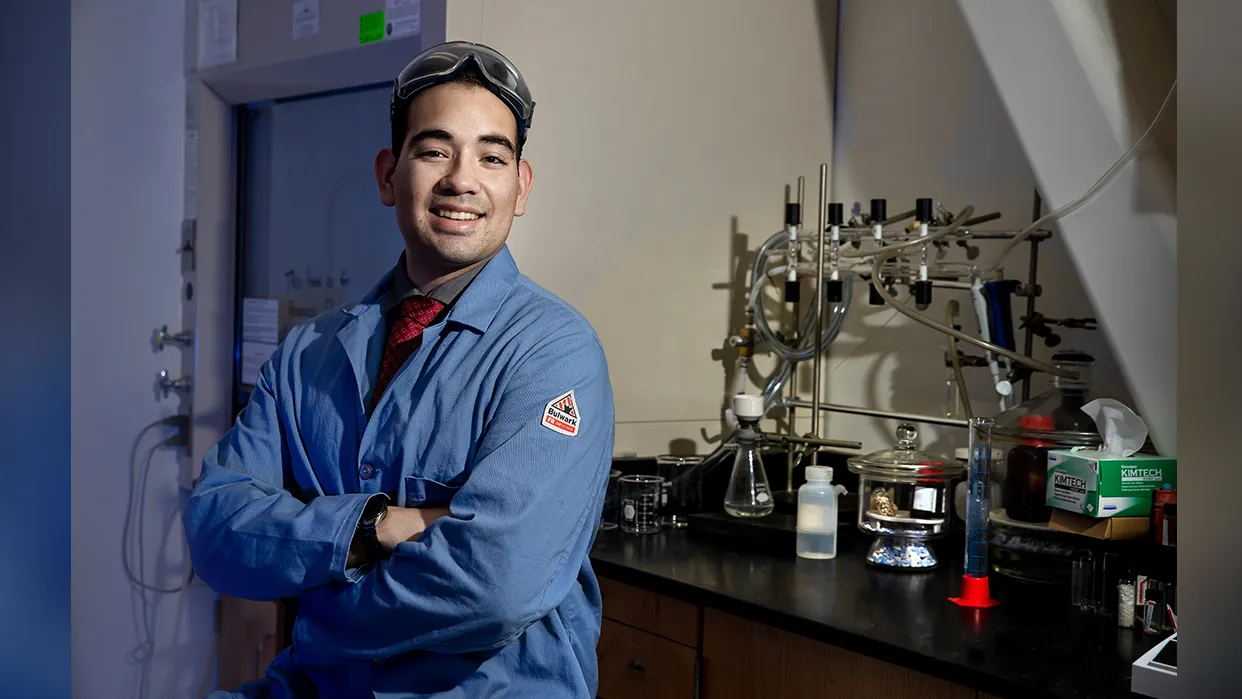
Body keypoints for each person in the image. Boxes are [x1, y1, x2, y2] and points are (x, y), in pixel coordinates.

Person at [184, 41, 615, 698]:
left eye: (492, 157)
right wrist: (373, 524)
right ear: (389, 174)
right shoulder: (310, 353)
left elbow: (493, 584)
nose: (461, 179)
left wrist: (319, 610)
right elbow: (215, 528)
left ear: (520, 187)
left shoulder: (552, 352)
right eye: (435, 150)